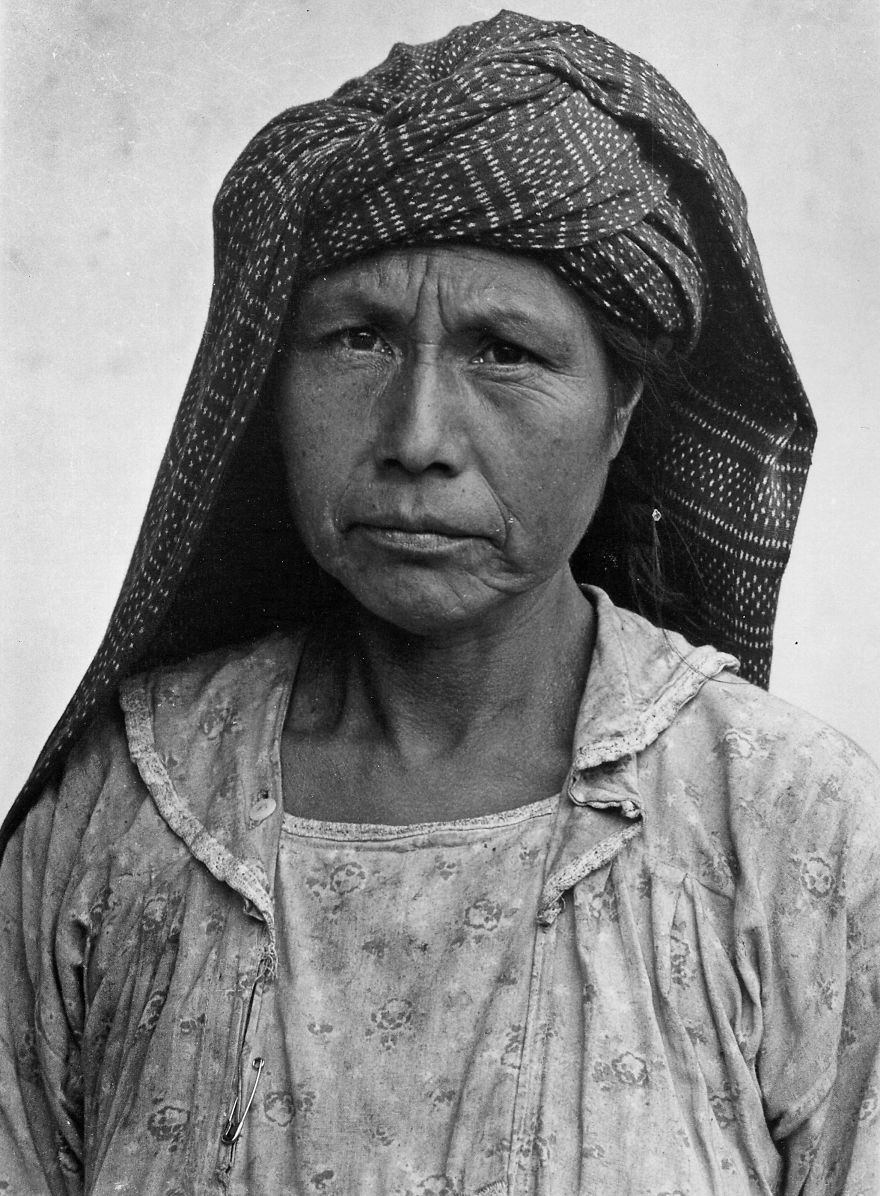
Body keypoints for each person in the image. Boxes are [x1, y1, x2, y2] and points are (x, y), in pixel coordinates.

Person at [1, 10, 878, 1194]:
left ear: (620, 409)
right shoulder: (128, 809)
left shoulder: (787, 825)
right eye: (356, 339)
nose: (416, 438)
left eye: (502, 351)